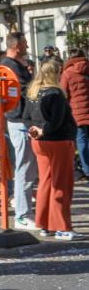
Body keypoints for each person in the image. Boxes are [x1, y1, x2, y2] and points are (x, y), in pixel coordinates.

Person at [24, 58, 77, 239]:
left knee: (45, 183)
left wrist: (34, 130)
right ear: (56, 73)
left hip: (40, 142)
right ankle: (61, 227)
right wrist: (44, 130)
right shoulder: (56, 94)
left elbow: (25, 118)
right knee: (61, 184)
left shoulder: (33, 92)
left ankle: (45, 224)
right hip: (59, 141)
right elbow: (57, 121)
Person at [1, 31, 38, 229]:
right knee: (24, 167)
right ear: (16, 47)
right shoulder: (10, 66)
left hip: (23, 120)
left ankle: (24, 210)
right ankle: (22, 215)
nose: (27, 47)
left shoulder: (17, 65)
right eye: (24, 44)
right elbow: (27, 91)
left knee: (28, 167)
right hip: (19, 120)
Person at [60, 48, 89, 181]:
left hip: (77, 113)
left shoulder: (67, 73)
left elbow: (63, 94)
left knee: (81, 141)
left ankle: (87, 169)